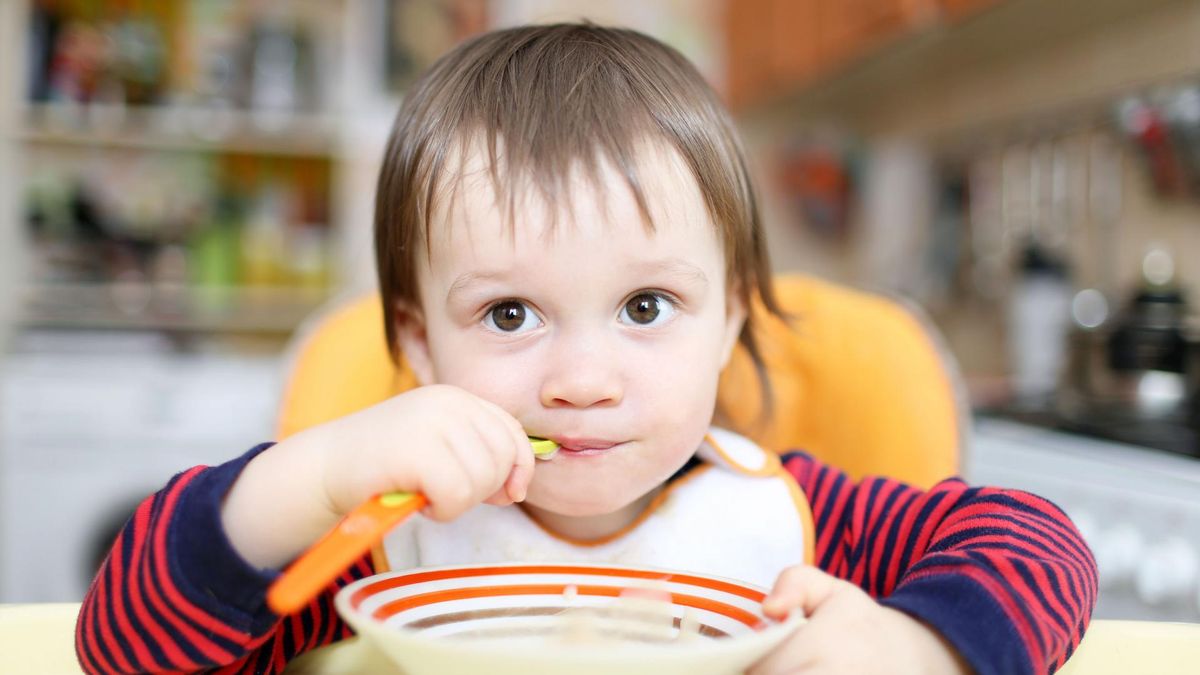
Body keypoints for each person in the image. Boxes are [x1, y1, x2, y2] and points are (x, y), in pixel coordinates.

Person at [76, 23, 1096, 675]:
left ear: (731, 323)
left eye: (647, 306)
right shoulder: (387, 550)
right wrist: (318, 473)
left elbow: (1045, 548)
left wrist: (917, 647)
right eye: (511, 315)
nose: (583, 382)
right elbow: (119, 651)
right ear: (418, 344)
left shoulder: (794, 518)